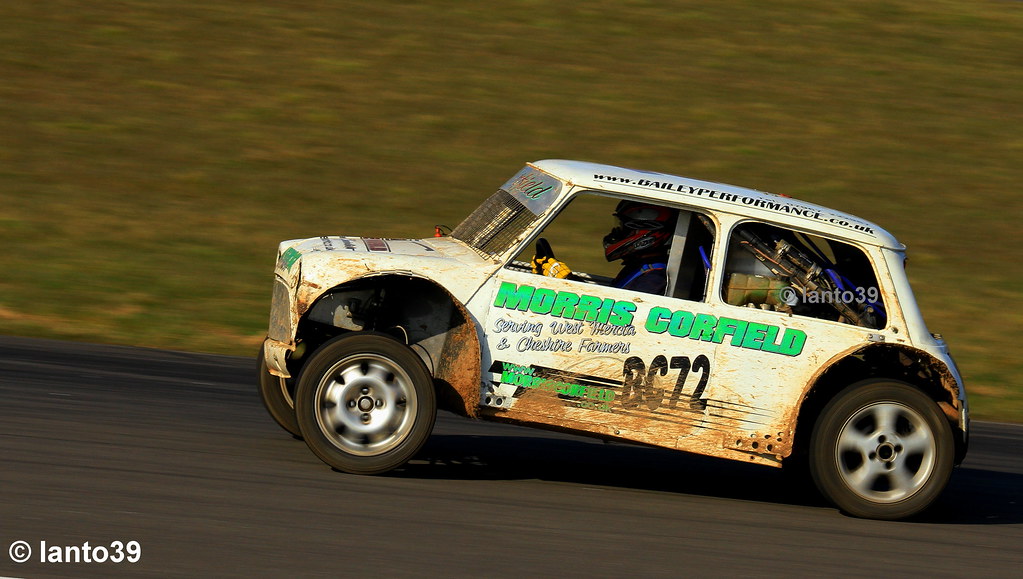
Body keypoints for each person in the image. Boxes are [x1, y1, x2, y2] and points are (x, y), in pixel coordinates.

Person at [532, 200, 678, 295]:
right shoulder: (639, 267)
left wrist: (568, 281)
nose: (615, 232)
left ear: (644, 234)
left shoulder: (653, 278)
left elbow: (616, 316)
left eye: (622, 228)